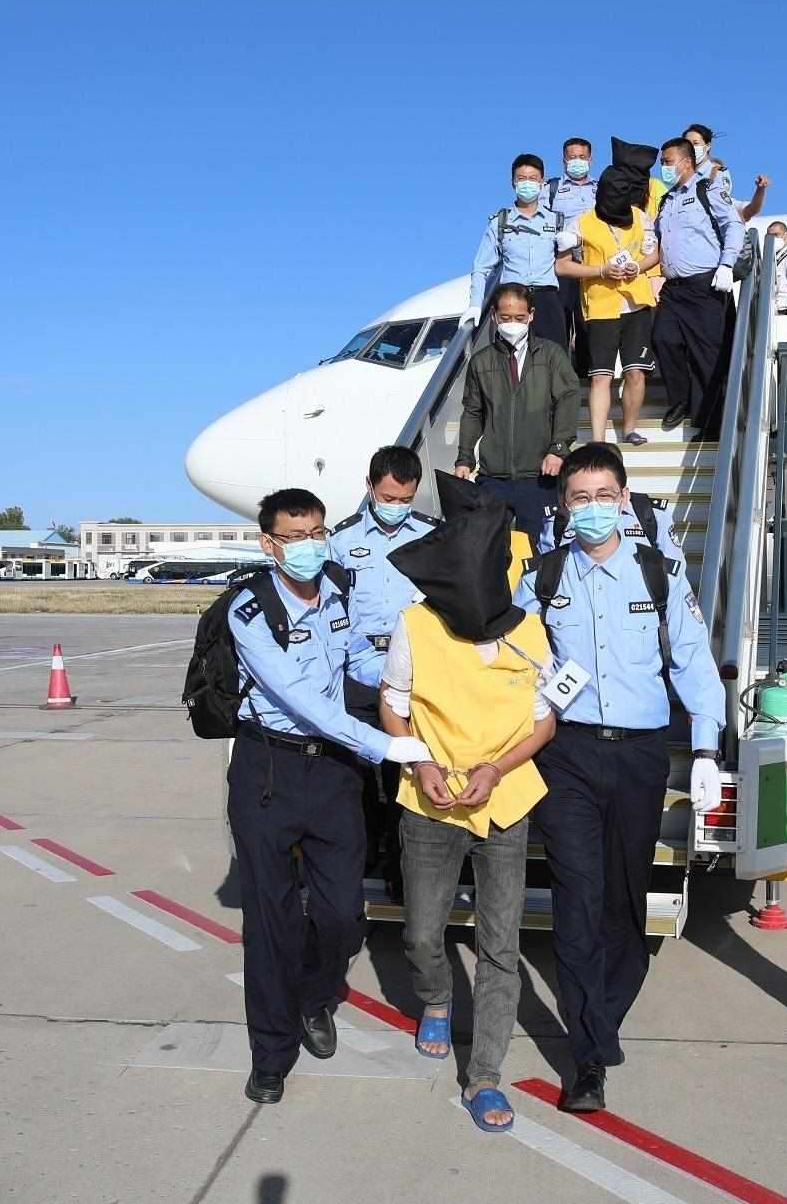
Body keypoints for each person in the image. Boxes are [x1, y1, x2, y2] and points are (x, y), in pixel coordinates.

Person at [513, 445, 725, 1112]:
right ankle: (587, 1057)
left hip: (639, 756)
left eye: (604, 495)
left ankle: (603, 1016)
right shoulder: (541, 578)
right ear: (564, 505)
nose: (593, 507)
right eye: (580, 497)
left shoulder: (659, 573)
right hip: (567, 755)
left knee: (626, 905)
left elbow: (693, 662)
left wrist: (707, 750)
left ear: (625, 499)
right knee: (577, 899)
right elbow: (514, 660)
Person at [224, 488, 431, 1106]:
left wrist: (414, 676)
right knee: (271, 921)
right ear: (269, 544)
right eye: (295, 537)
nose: (310, 546)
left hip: (333, 775)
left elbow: (356, 661)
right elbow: (303, 700)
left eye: (317, 533)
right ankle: (270, 1053)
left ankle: (315, 998)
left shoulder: (338, 588)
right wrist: (385, 745)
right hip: (270, 769)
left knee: (343, 916)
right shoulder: (250, 609)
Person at [381, 474, 555, 1133]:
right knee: (422, 932)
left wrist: (497, 768)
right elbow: (393, 704)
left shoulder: (530, 632)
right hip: (430, 801)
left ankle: (483, 1076)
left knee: (499, 945)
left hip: (505, 801)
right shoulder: (415, 626)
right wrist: (420, 762)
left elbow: (544, 722)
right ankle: (435, 996)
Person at [328, 446, 439, 897]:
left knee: (405, 779)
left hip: (411, 677)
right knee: (353, 780)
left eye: (405, 499)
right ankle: (357, 866)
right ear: (370, 487)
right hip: (358, 673)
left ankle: (400, 871)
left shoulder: (432, 536)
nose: (396, 506)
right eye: (389, 497)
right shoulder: (341, 541)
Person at [454, 282, 580, 542]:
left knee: (539, 550)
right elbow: (473, 412)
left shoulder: (552, 355)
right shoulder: (481, 362)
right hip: (492, 478)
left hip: (540, 477)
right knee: (489, 550)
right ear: (494, 316)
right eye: (506, 318)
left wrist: (558, 448)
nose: (513, 324)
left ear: (531, 315)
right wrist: (464, 459)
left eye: (520, 318)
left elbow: (567, 401)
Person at [555, 164, 661, 447]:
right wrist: (600, 271)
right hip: (600, 306)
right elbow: (562, 266)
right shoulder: (582, 222)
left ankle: (630, 429)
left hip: (637, 303)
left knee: (636, 371)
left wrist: (638, 266)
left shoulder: (640, 217)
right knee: (600, 375)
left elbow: (654, 253)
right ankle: (598, 439)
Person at [651, 137, 744, 438]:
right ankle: (680, 400)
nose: (663, 167)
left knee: (708, 356)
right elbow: (658, 243)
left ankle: (713, 424)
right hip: (673, 288)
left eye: (668, 162)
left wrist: (727, 264)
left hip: (704, 284)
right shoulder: (666, 200)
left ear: (687, 162)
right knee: (663, 339)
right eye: (662, 162)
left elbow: (734, 225)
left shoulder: (708, 190)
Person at [467, 153, 579, 351]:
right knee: (511, 360)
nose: (527, 183)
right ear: (513, 182)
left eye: (533, 179)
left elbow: (568, 260)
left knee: (554, 358)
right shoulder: (500, 222)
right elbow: (481, 268)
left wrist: (577, 240)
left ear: (542, 182)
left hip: (547, 299)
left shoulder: (557, 221)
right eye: (522, 179)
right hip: (513, 300)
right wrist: (475, 304)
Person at [548, 138, 599, 376]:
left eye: (582, 157)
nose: (577, 161)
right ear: (564, 160)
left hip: (594, 264)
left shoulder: (601, 189)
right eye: (572, 157)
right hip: (564, 264)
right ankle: (561, 374)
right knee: (562, 319)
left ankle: (587, 370)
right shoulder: (551, 189)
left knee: (588, 320)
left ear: (590, 159)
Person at [683, 123, 769, 223]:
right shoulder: (678, 181)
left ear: (708, 146)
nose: (691, 148)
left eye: (696, 143)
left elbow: (749, 211)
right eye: (687, 144)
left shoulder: (717, 176)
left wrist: (760, 189)